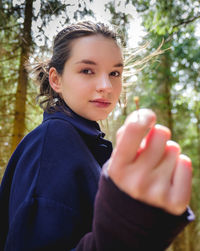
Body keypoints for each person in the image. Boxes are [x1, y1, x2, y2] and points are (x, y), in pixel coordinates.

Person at [0, 21, 194, 251]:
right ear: (56, 79)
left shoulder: (86, 146)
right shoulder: (51, 144)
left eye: (115, 73)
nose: (106, 86)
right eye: (87, 70)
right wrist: (131, 230)